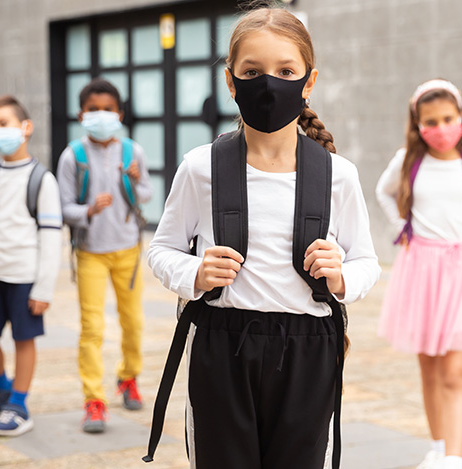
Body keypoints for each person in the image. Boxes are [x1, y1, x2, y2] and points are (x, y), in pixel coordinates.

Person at [145, 7, 379, 468]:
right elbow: (161, 249)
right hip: (221, 348)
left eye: (286, 71)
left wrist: (341, 276)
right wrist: (194, 271)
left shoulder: (337, 175)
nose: (269, 84)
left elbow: (366, 261)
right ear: (231, 83)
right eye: (252, 72)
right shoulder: (200, 167)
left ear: (308, 82)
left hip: (309, 351)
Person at [376, 79, 462, 469]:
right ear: (417, 124)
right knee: (429, 365)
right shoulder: (408, 159)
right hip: (419, 270)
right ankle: (438, 448)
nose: (440, 128)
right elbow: (383, 191)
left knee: (454, 371)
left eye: (447, 119)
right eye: (430, 122)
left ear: (461, 117)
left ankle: (454, 459)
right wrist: (400, 226)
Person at [0, 95, 62, 436]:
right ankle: (1, 387)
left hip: (23, 277)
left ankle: (19, 404)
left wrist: (44, 288)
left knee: (24, 340)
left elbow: (51, 237)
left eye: (3, 123)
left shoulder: (41, 179)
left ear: (25, 127)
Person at [56, 78, 153, 433]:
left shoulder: (132, 151)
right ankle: (93, 400)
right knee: (92, 328)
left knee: (133, 322)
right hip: (91, 253)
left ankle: (128, 377)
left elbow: (146, 192)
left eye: (108, 110)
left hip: (127, 250)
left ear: (120, 114)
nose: (101, 115)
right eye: (93, 109)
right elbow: (64, 207)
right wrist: (89, 211)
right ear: (81, 114)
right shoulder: (73, 156)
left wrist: (135, 179)